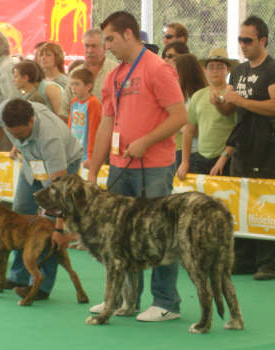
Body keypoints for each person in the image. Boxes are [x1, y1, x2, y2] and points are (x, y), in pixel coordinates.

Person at [87, 11, 187, 321]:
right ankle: (124, 300)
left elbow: (180, 116)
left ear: (129, 34)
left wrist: (146, 141)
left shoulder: (158, 69)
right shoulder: (114, 75)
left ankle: (166, 302)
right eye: (104, 41)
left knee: (158, 233)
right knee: (120, 236)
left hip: (154, 167)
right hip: (120, 165)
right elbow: (106, 123)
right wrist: (93, 169)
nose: (107, 47)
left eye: (110, 39)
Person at [213, 15, 275, 280]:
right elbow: (229, 109)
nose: (243, 45)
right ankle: (243, 258)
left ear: (263, 40)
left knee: (268, 200)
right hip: (243, 145)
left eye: (247, 40)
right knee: (240, 199)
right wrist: (219, 102)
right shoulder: (239, 71)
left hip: (270, 145)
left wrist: (241, 101)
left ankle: (269, 261)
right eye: (240, 40)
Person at [0, 98, 82, 300]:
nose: (15, 138)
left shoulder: (50, 139)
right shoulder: (5, 111)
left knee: (48, 224)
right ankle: (18, 276)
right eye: (12, 134)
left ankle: (42, 286)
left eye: (19, 134)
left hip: (62, 167)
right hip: (32, 164)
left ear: (31, 121)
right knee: (19, 211)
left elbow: (59, 191)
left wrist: (60, 228)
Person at [178, 48, 238, 179]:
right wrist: (184, 162)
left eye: (220, 67)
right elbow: (189, 130)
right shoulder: (198, 96)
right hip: (200, 158)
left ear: (228, 70)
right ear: (205, 70)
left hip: (226, 160)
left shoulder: (233, 95)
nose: (215, 71)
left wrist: (224, 157)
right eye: (211, 67)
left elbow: (237, 131)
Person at [58, 29, 118, 123]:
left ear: (104, 47)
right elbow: (64, 111)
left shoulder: (116, 71)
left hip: (107, 131)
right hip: (78, 133)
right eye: (87, 46)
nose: (90, 50)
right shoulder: (75, 72)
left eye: (94, 46)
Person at [172, 53, 208, 175]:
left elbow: (203, 128)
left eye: (175, 72)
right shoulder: (181, 96)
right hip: (182, 152)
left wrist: (181, 126)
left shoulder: (200, 97)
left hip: (196, 154)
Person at [67, 68, 101, 168]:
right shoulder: (74, 102)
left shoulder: (93, 103)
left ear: (88, 86)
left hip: (87, 154)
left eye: (77, 84)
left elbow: (94, 131)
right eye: (72, 84)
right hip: (74, 152)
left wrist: (91, 157)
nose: (73, 88)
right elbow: (70, 126)